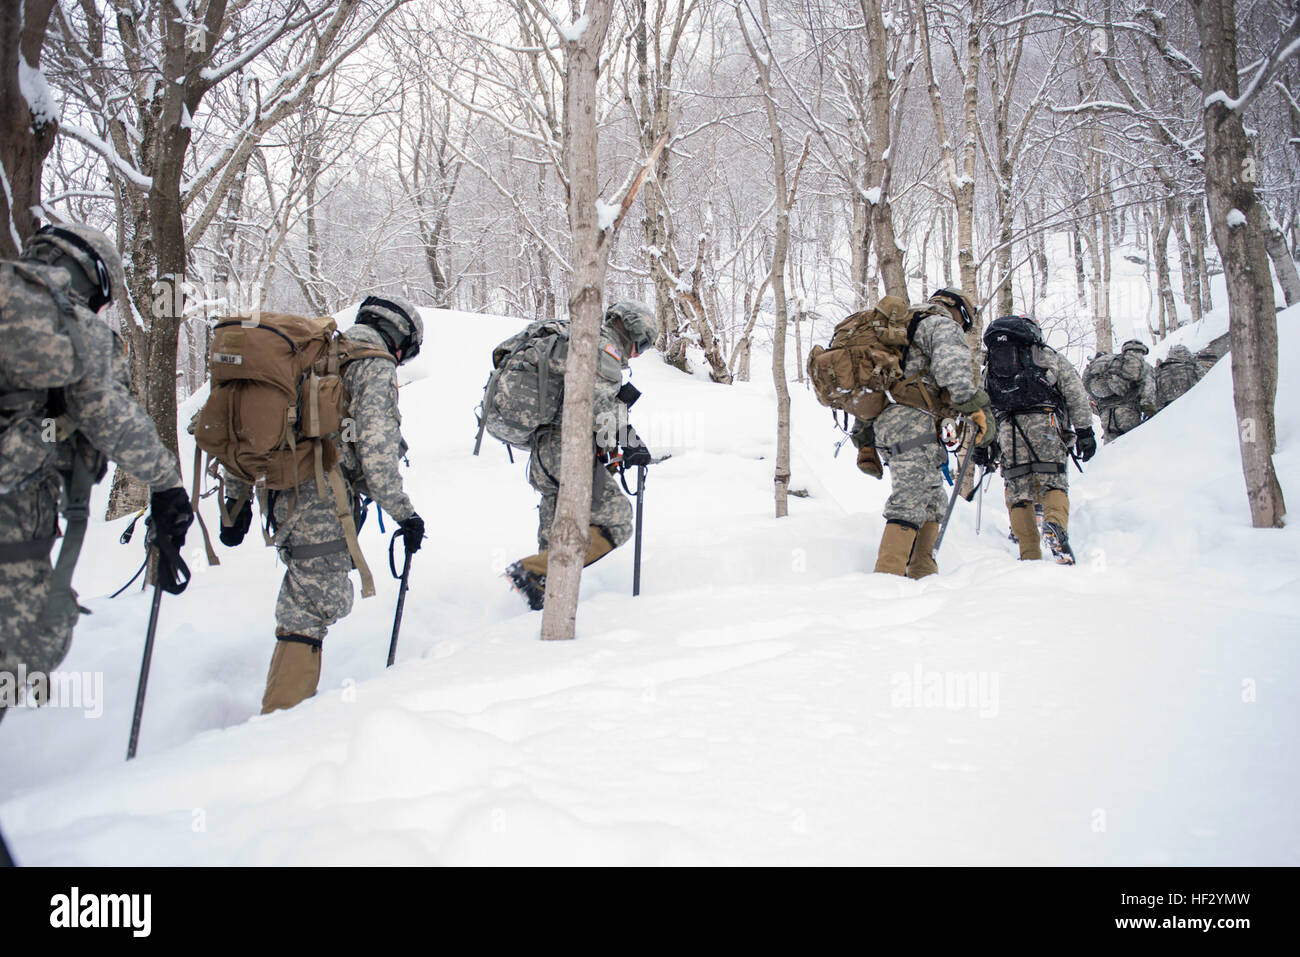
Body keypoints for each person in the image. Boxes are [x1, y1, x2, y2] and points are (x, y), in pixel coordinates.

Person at [0, 223, 192, 719]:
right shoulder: (68, 327)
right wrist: (168, 484)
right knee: (26, 647)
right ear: (92, 280)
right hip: (13, 523)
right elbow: (112, 418)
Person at [220, 296, 425, 714]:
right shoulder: (374, 365)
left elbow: (252, 424)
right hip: (322, 501)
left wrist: (235, 498)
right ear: (401, 342)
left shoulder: (311, 355)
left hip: (278, 494)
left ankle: (284, 711)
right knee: (312, 605)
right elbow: (378, 452)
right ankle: (283, 720)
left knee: (305, 601)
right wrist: (405, 513)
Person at [505, 302, 658, 609]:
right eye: (640, 345)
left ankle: (544, 597)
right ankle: (531, 571)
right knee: (618, 523)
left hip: (543, 452)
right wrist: (630, 441)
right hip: (567, 449)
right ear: (630, 331)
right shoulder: (605, 349)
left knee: (559, 527)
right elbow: (598, 406)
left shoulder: (580, 342)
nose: (636, 354)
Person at [868, 288, 995, 578]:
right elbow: (953, 368)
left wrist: (865, 439)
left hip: (892, 423)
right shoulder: (939, 324)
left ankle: (922, 574)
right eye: (965, 323)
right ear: (959, 312)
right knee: (910, 499)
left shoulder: (901, 327)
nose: (963, 329)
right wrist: (974, 406)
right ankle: (885, 581)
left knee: (931, 498)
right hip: (912, 421)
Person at [975, 315, 1095, 565]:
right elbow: (1075, 393)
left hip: (1008, 427)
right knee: (1054, 483)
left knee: (1018, 492)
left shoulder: (992, 367)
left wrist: (983, 444)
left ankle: (1029, 553)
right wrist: (1085, 431)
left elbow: (981, 407)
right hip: (1045, 422)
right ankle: (1054, 525)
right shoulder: (1045, 357)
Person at [1083, 339, 1156, 442]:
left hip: (1107, 415)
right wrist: (1149, 410)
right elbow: (1148, 390)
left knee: (1112, 448)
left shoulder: (1109, 364)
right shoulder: (1142, 366)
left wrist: (1101, 405)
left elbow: (1086, 384)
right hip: (1128, 412)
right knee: (1133, 446)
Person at [1154, 344, 1205, 411]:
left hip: (1167, 410)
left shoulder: (1160, 371)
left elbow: (1156, 395)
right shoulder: (1191, 367)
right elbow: (1204, 384)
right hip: (1190, 404)